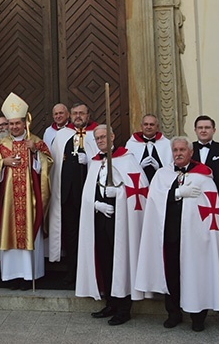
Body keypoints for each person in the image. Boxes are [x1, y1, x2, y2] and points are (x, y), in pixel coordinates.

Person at [135, 136, 219, 332]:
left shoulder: (203, 176)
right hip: (170, 235)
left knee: (196, 274)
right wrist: (177, 193)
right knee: (171, 275)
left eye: (182, 150)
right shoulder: (162, 174)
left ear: (190, 153)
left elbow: (211, 208)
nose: (178, 153)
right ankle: (173, 313)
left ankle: (198, 316)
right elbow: (154, 198)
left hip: (195, 238)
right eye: (175, 150)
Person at [76, 125, 149, 325]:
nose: (100, 140)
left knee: (120, 260)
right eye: (97, 138)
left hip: (121, 221)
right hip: (99, 219)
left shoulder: (127, 159)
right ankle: (111, 302)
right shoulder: (95, 162)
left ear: (112, 136)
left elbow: (140, 189)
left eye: (103, 137)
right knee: (105, 260)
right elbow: (87, 193)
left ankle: (124, 307)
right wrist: (96, 204)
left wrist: (119, 194)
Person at [0, 92, 53, 290]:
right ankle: (12, 276)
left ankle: (30, 275)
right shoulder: (2, 145)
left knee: (30, 232)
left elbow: (48, 165)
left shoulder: (36, 141)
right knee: (9, 234)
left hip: (31, 200)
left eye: (18, 123)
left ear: (25, 123)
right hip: (9, 202)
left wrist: (36, 152)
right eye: (11, 124)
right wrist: (2, 163)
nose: (14, 127)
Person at [48, 103, 98, 284]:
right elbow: (53, 164)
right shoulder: (62, 136)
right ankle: (73, 271)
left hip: (90, 195)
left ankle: (92, 273)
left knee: (91, 234)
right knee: (71, 234)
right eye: (75, 113)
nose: (78, 116)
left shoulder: (96, 135)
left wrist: (90, 161)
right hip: (68, 195)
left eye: (82, 113)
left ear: (88, 115)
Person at [125, 114, 172, 182]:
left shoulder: (166, 144)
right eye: (146, 124)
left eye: (151, 124)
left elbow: (170, 167)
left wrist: (159, 168)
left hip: (160, 182)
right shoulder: (132, 143)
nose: (148, 127)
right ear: (141, 126)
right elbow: (128, 167)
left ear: (157, 127)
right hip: (140, 184)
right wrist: (139, 167)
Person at [191, 115, 219, 195]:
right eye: (200, 128)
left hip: (217, 194)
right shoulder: (188, 149)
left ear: (214, 130)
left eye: (207, 127)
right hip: (193, 194)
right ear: (195, 130)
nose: (203, 130)